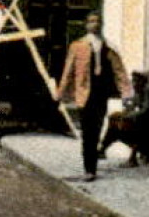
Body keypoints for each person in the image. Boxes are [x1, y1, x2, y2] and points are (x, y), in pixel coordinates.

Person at [54, 13, 131, 181]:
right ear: (86, 24)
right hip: (84, 94)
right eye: (91, 21)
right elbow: (68, 71)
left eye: (97, 21)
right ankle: (89, 168)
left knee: (96, 129)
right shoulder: (78, 46)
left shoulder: (109, 47)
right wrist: (60, 93)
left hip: (100, 94)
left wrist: (126, 93)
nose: (94, 24)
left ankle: (92, 164)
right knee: (87, 131)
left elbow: (120, 72)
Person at [101, 71, 149, 167]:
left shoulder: (148, 91)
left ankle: (132, 159)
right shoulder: (138, 91)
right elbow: (133, 105)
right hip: (141, 123)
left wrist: (128, 116)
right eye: (133, 81)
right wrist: (127, 106)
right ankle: (102, 149)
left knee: (133, 127)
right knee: (114, 122)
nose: (134, 84)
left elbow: (145, 110)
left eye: (136, 81)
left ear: (142, 81)